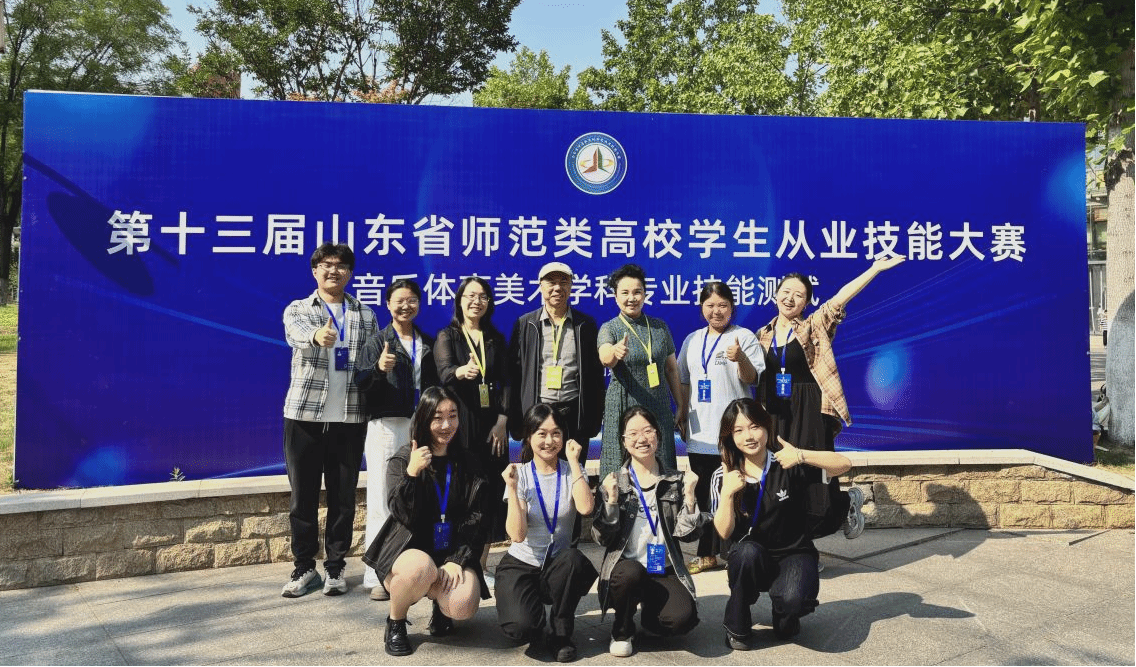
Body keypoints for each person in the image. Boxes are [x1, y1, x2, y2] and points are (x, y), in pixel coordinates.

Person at [757, 258, 904, 539]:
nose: (790, 298)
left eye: (799, 295)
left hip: (809, 408)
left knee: (813, 475)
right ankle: (793, 539)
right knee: (781, 474)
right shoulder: (761, 336)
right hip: (776, 411)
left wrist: (874, 269)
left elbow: (839, 300)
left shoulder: (814, 325)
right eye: (786, 292)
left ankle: (841, 507)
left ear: (806, 303)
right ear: (775, 295)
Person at [710, 398, 853, 650]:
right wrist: (727, 494)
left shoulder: (787, 463)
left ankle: (785, 614)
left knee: (793, 604)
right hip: (751, 559)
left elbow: (844, 465)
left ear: (767, 426)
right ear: (730, 436)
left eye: (754, 426)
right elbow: (724, 531)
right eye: (739, 430)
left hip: (793, 553)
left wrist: (800, 455)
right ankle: (737, 622)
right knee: (746, 553)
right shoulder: (724, 475)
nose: (748, 436)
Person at [361, 386, 491, 657]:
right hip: (409, 554)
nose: (446, 425)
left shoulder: (468, 462)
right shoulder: (402, 460)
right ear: (423, 419)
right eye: (437, 417)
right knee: (421, 569)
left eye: (452, 416)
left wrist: (456, 559)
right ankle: (396, 622)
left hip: (450, 551)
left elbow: (477, 519)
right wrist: (412, 473)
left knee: (463, 604)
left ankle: (441, 608)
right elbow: (403, 515)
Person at [280, 243, 378, 597]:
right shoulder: (299, 308)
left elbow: (371, 359)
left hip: (349, 419)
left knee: (343, 498)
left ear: (350, 273)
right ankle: (304, 567)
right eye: (326, 264)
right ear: (315, 271)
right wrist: (316, 336)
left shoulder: (365, 314)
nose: (333, 270)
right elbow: (295, 334)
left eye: (340, 265)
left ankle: (335, 567)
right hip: (304, 415)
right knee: (302, 498)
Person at [593, 406, 706, 658]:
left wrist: (689, 498)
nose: (641, 439)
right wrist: (611, 501)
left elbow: (689, 536)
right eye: (632, 433)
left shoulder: (676, 481)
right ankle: (622, 629)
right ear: (623, 441)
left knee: (681, 620)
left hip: (663, 568)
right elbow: (602, 538)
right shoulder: (614, 482)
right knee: (630, 573)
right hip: (627, 569)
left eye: (647, 431)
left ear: (658, 435)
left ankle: (649, 616)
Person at [355, 279, 439, 598]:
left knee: (418, 496)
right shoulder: (377, 342)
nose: (406, 306)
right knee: (383, 497)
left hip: (420, 425)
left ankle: (415, 570)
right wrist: (378, 368)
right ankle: (378, 575)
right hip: (387, 426)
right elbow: (361, 383)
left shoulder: (427, 342)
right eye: (399, 301)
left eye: (412, 300)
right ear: (388, 304)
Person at [496, 404, 599, 662]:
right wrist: (512, 488)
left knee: (574, 560)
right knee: (521, 628)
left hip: (558, 565)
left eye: (556, 433)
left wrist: (574, 462)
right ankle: (532, 613)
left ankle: (560, 633)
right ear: (529, 437)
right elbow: (517, 535)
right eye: (541, 434)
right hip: (522, 564)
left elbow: (586, 508)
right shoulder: (519, 474)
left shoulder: (572, 470)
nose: (549, 441)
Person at [674, 281, 764, 575]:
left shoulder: (743, 337)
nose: (716, 311)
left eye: (723, 305)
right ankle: (707, 554)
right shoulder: (692, 340)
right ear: (702, 308)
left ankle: (737, 549)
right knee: (703, 494)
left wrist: (740, 358)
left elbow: (752, 379)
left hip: (733, 433)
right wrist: (681, 411)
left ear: (732, 308)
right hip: (699, 432)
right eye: (710, 305)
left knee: (734, 491)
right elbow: (683, 379)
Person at [434, 276, 510, 574]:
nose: (476, 302)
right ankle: (456, 562)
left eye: (482, 297)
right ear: (460, 300)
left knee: (489, 494)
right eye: (470, 296)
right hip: (460, 424)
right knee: (462, 493)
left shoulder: (495, 338)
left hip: (492, 427)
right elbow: (443, 373)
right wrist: (460, 371)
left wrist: (503, 420)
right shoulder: (448, 335)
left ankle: (481, 564)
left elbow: (507, 382)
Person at [507, 261, 605, 466]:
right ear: (540, 286)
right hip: (537, 414)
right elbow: (514, 375)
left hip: (573, 416)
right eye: (551, 282)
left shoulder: (585, 325)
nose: (557, 288)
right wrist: (517, 420)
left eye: (563, 282)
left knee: (574, 473)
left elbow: (596, 375)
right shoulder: (526, 324)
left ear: (571, 286)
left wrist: (593, 419)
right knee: (537, 475)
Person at [597, 264, 683, 480]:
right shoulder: (610, 328)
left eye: (637, 292)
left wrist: (680, 404)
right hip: (623, 404)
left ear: (645, 294)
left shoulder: (660, 327)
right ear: (616, 297)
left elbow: (671, 369)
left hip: (658, 405)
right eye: (625, 293)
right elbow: (605, 357)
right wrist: (615, 352)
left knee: (661, 464)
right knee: (619, 468)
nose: (631, 298)